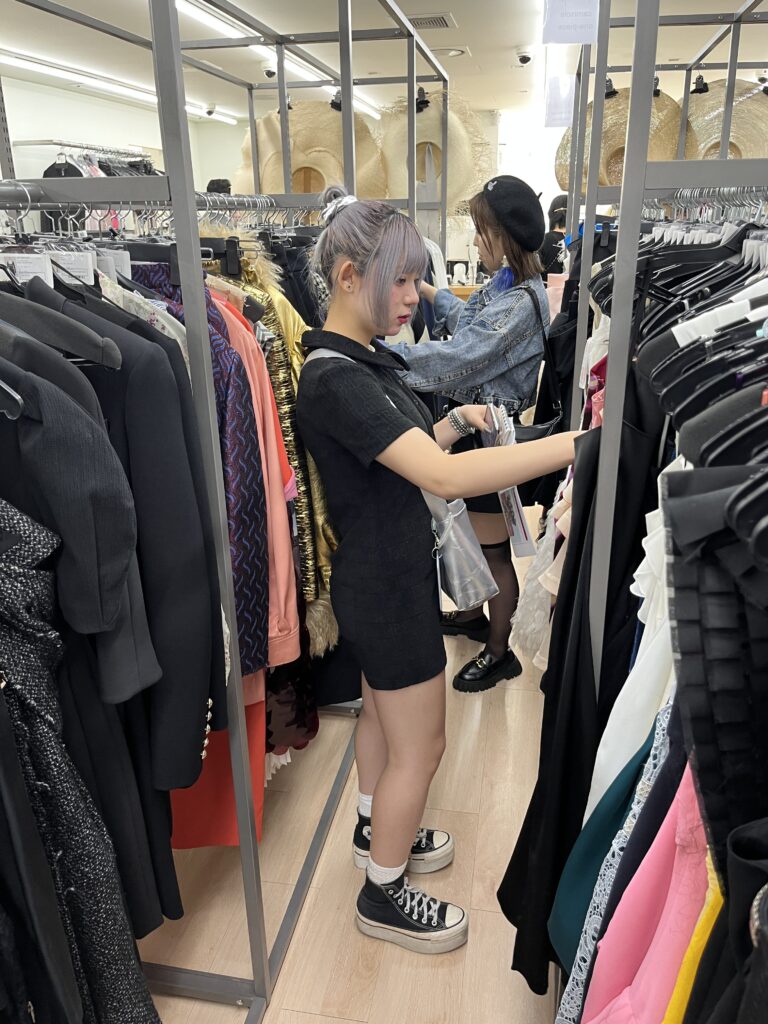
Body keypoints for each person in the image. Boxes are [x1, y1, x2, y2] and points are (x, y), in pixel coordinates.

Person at [296, 184, 579, 956]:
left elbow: (411, 452)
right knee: (422, 748)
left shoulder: (362, 359)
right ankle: (383, 892)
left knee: (383, 725)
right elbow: (443, 477)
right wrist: (578, 445)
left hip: (382, 575)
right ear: (348, 277)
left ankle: (373, 830)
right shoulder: (336, 377)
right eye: (401, 280)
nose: (414, 296)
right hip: (387, 587)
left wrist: (456, 419)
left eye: (416, 279)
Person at [386, 174, 549, 694]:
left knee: (493, 549)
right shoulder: (507, 287)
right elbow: (468, 318)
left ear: (505, 237)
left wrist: (377, 356)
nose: (476, 242)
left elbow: (462, 355)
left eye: (482, 232)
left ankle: (500, 653)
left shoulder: (520, 303)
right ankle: (476, 617)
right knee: (473, 537)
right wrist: (425, 288)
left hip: (488, 434)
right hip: (474, 427)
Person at [539, 193, 569, 282]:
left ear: (551, 214)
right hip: (572, 290)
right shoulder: (579, 241)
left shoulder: (542, 240)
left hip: (546, 288)